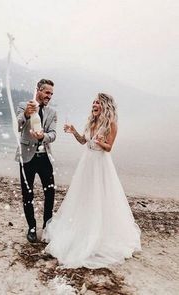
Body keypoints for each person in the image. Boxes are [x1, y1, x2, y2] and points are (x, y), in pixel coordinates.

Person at [42, 93, 141, 269]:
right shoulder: (91, 122)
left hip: (100, 164)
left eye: (98, 103)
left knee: (101, 197)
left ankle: (100, 233)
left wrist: (102, 142)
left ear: (105, 106)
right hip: (86, 163)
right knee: (83, 197)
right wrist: (74, 132)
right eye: (93, 102)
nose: (94, 105)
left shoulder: (111, 124)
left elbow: (109, 148)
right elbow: (83, 141)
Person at [16, 79, 57, 243]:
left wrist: (44, 136)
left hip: (45, 157)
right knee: (27, 193)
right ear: (38, 90)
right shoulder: (24, 105)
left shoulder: (52, 112)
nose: (49, 96)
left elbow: (53, 134)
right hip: (26, 156)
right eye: (47, 92)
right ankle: (32, 227)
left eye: (51, 94)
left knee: (50, 192)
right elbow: (17, 126)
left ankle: (47, 226)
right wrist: (26, 114)